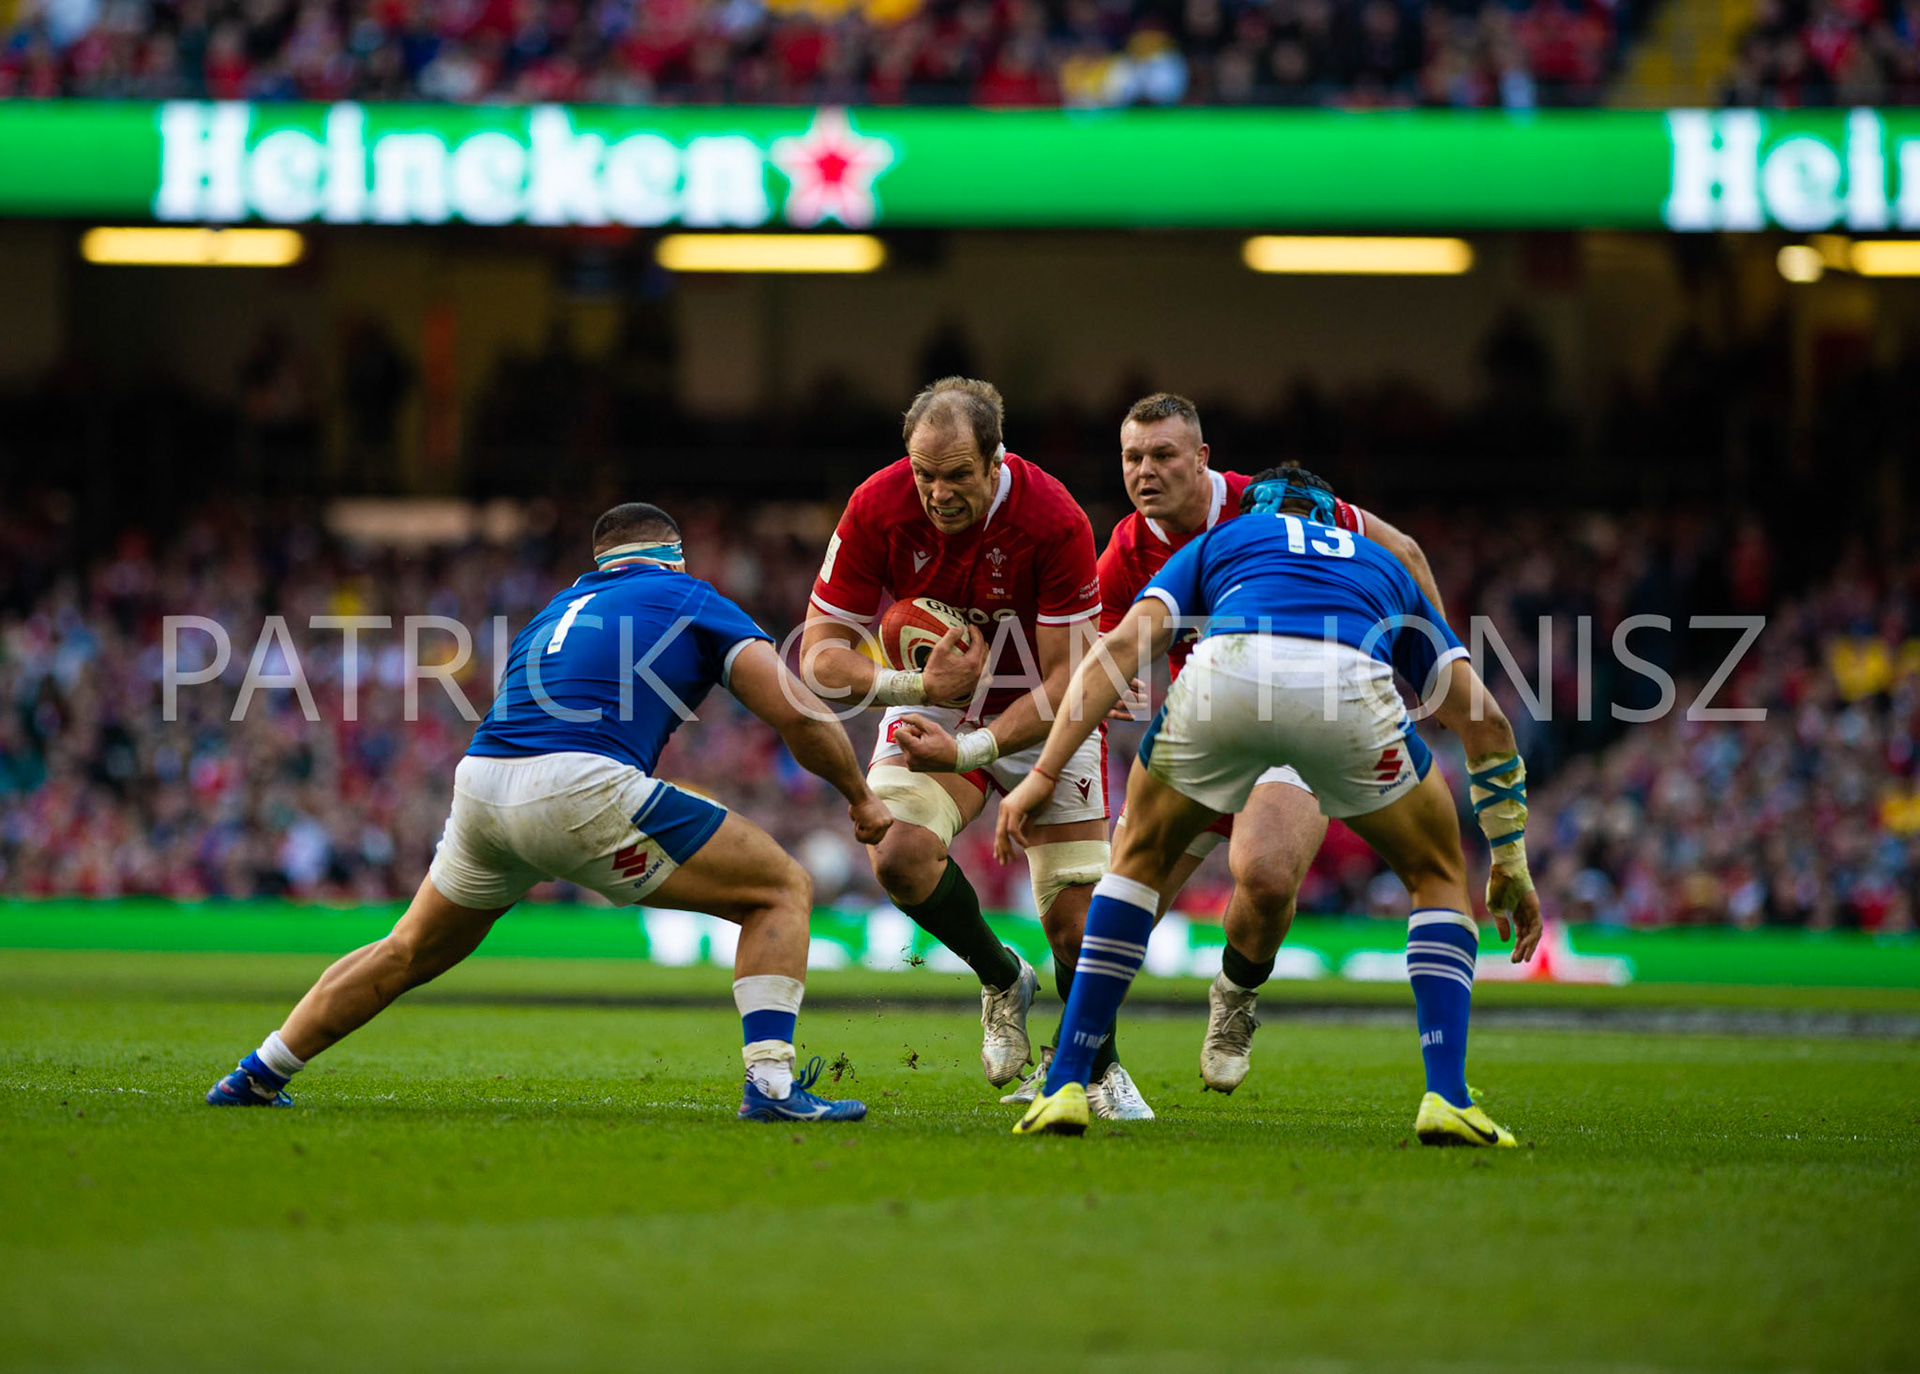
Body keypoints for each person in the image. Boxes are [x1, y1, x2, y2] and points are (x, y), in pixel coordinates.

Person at [207, 502, 888, 1123]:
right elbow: (798, 714)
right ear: (674, 556)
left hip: (482, 785)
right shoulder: (690, 596)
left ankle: (256, 1072)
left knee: (405, 950)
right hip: (577, 787)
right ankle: (771, 1088)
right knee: (781, 889)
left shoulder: (553, 612)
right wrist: (860, 796)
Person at [996, 466, 1544, 1142]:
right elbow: (1485, 723)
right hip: (1347, 686)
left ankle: (1067, 1083)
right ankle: (1448, 1097)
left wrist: (1042, 774)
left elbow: (1120, 650)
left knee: (1135, 864)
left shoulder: (1222, 541)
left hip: (1228, 676)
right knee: (1436, 877)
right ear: (1332, 516)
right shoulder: (1382, 560)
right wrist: (1509, 858)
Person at [1028, 393, 1449, 1100]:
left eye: (1163, 455)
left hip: (1297, 725)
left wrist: (1432, 665)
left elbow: (1401, 550)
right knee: (1106, 916)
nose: (1146, 472)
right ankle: (1080, 1063)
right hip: (1206, 732)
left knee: (1266, 875)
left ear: (1202, 460)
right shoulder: (1128, 548)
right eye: (1133, 458)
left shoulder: (1276, 509)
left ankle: (1236, 996)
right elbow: (1100, 663)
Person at [798, 377, 1153, 1119]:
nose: (935, 492)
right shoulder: (877, 503)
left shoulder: (1052, 519)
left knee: (1073, 920)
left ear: (997, 461)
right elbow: (819, 657)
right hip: (937, 699)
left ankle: (1096, 1064)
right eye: (924, 473)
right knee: (897, 854)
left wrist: (974, 750)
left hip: (1045, 711)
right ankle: (1001, 977)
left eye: (957, 474)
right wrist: (914, 687)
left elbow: (1065, 682)